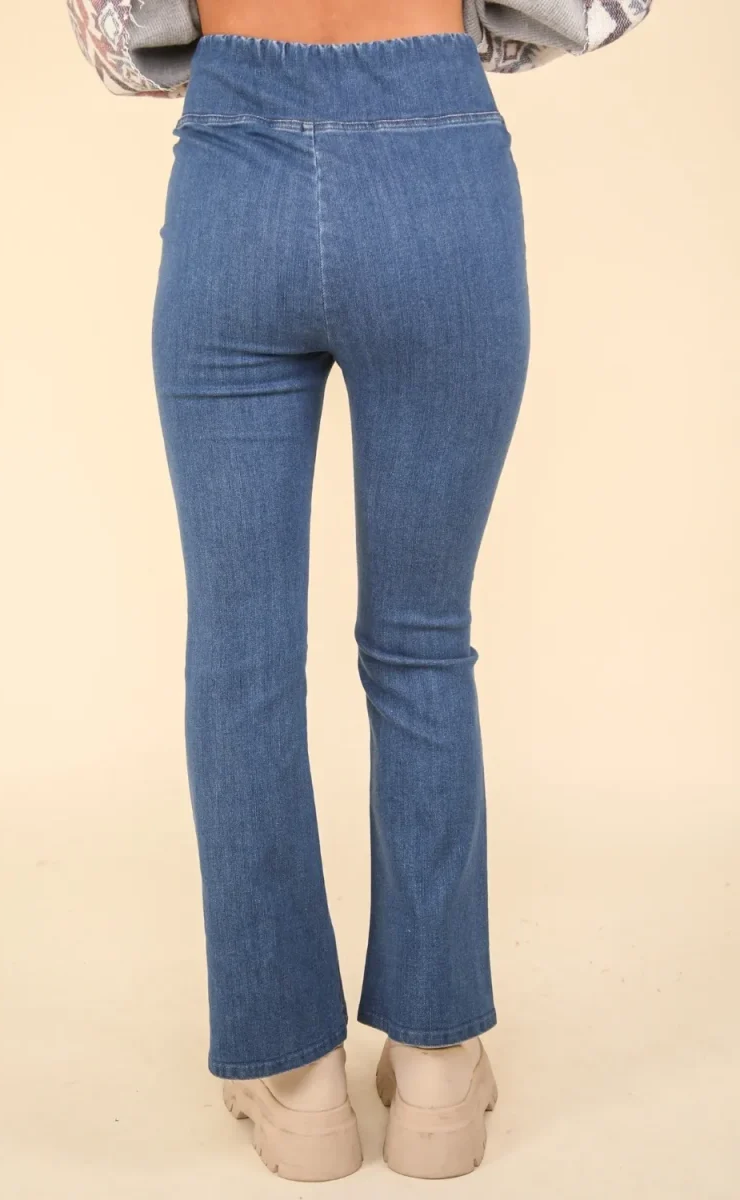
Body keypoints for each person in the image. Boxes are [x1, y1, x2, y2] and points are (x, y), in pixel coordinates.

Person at [151, 0, 529, 1181]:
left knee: (240, 660)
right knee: (422, 642)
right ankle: (435, 1065)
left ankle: (296, 1078)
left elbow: (117, 34)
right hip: (440, 159)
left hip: (233, 174)